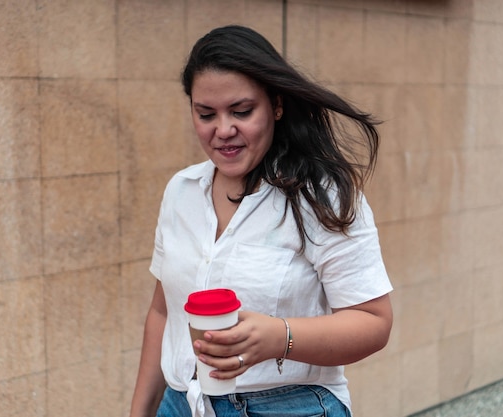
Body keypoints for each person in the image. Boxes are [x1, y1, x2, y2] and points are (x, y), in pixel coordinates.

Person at [129, 25, 393, 417]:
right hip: (181, 404)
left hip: (290, 407)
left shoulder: (320, 195)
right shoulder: (181, 191)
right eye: (206, 114)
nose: (223, 130)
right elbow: (165, 311)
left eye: (242, 111)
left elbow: (374, 322)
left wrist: (280, 337)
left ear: (277, 105)